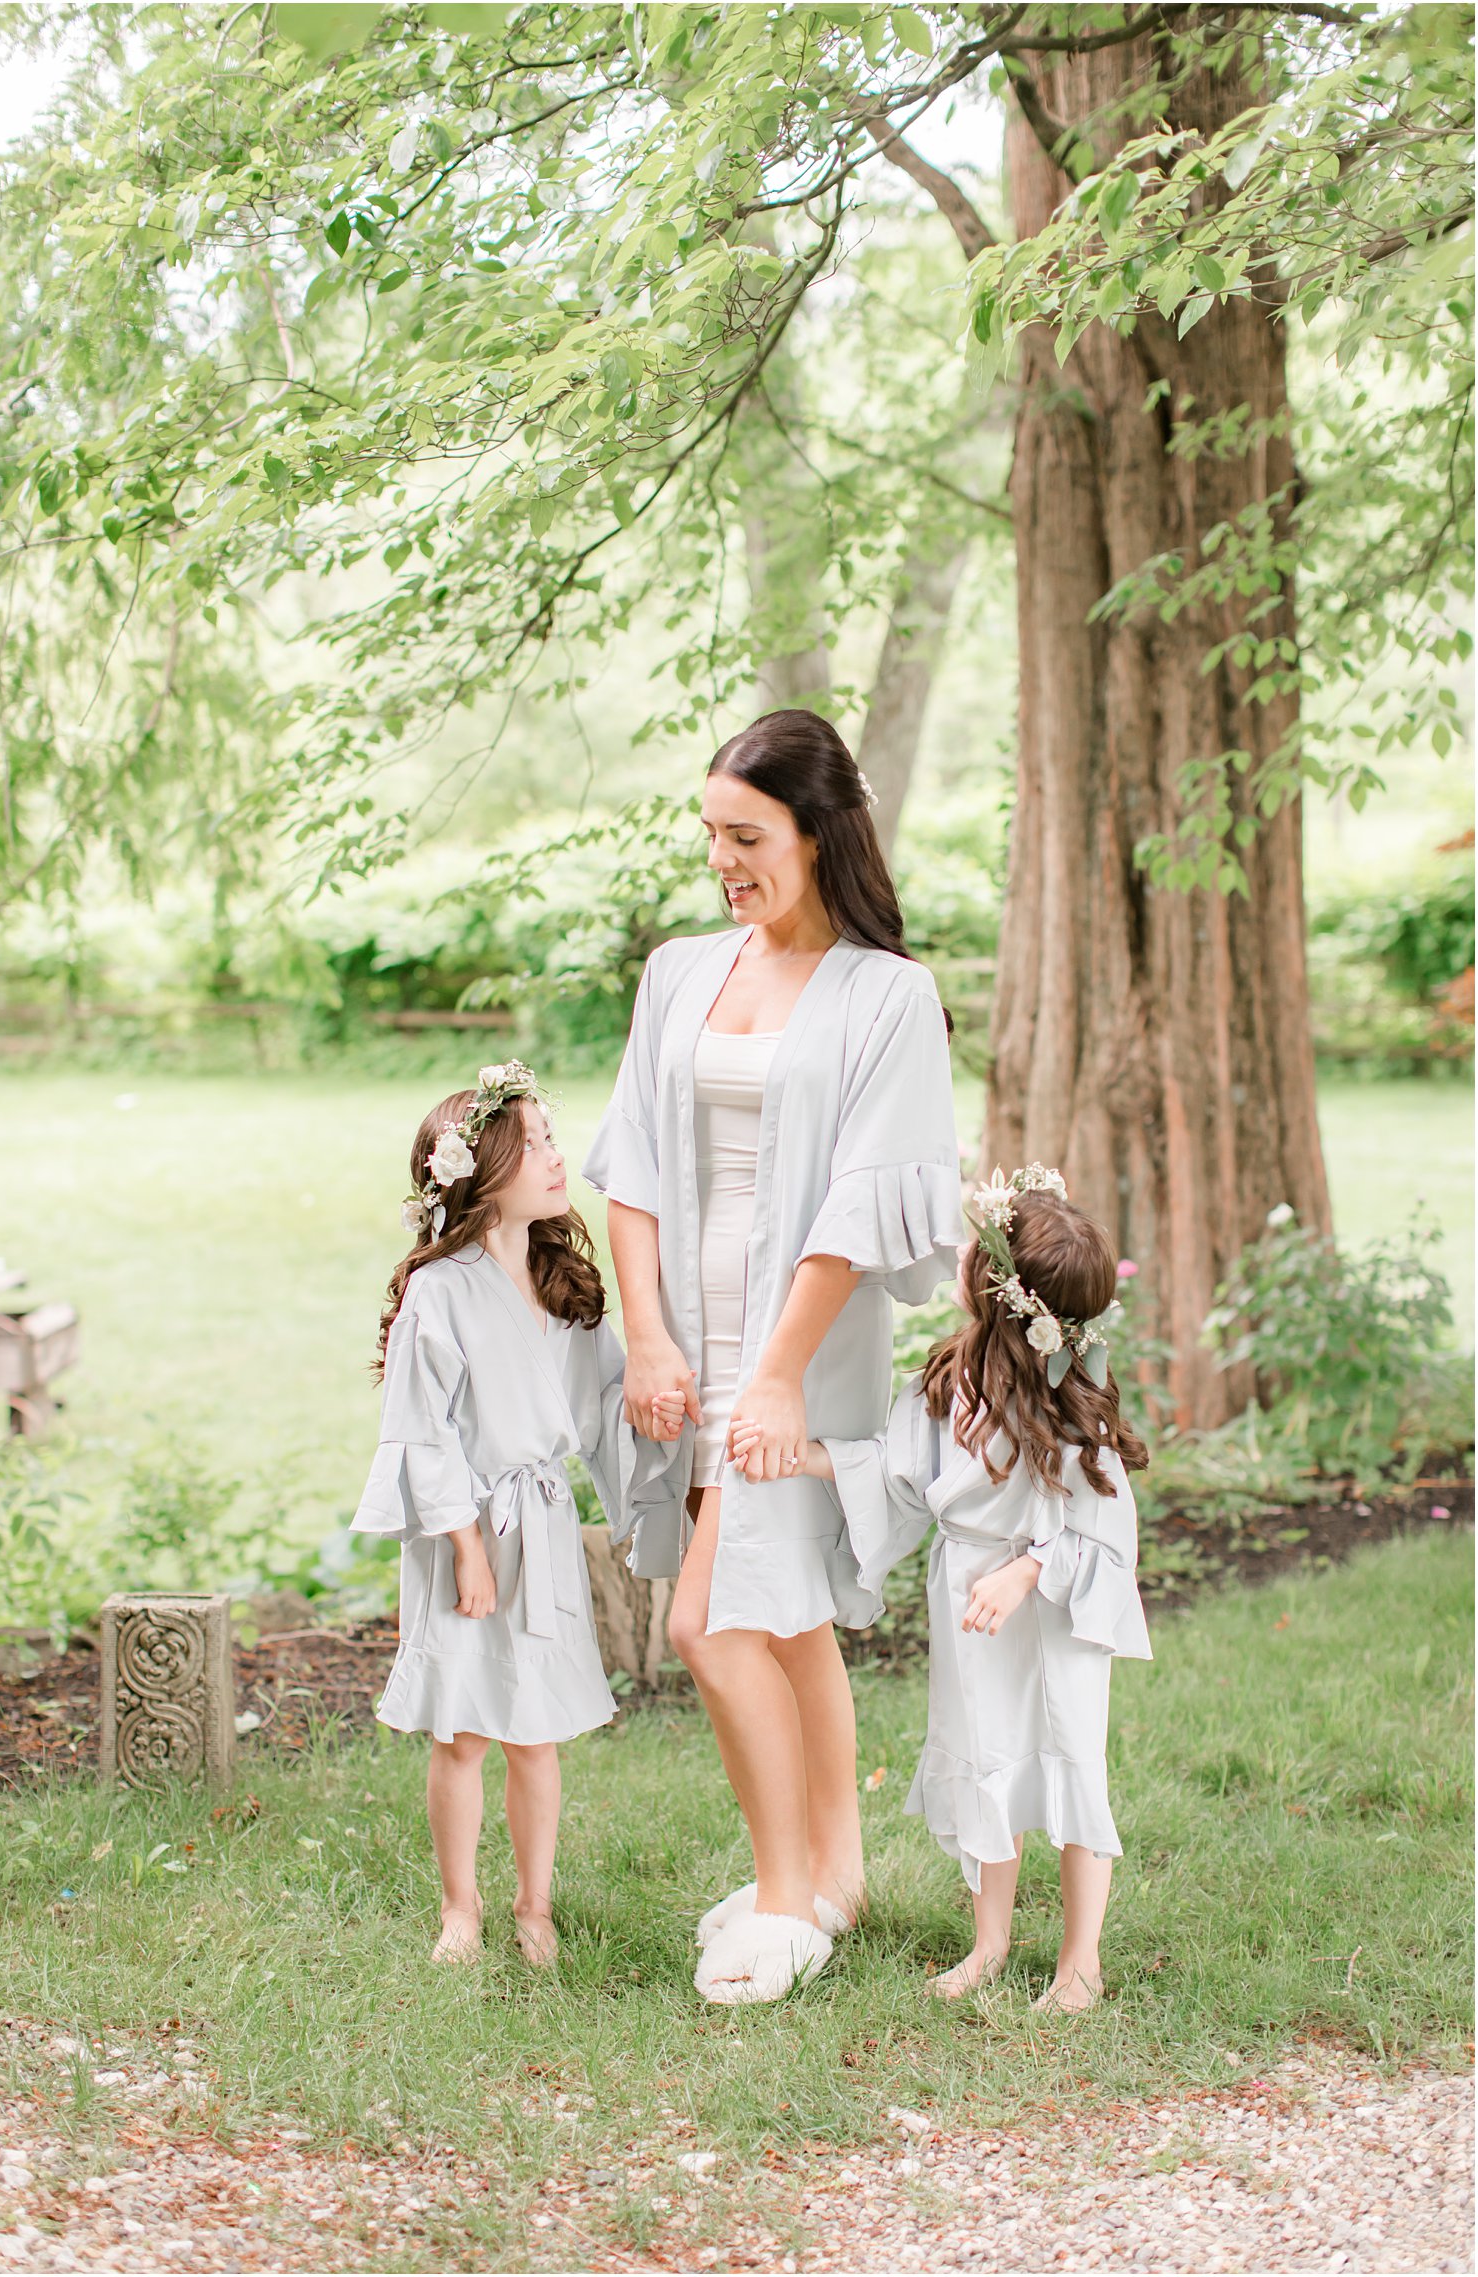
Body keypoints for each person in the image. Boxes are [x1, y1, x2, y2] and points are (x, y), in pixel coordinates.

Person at [582, 710, 964, 2004]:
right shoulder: (681, 973)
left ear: (817, 832)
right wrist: (646, 1335)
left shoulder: (888, 996)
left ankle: (786, 1899)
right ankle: (839, 1871)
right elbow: (631, 1165)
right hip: (688, 1345)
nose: (724, 862)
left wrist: (780, 1373)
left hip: (795, 1349)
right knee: (787, 1614)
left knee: (711, 1617)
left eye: (747, 837)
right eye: (711, 836)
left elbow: (862, 1200)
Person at [745, 1165, 1151, 2012]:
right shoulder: (951, 1379)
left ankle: (1081, 1959)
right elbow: (898, 1472)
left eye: (979, 1245)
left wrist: (1031, 1567)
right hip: (966, 1593)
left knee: (1071, 1757)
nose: (961, 1247)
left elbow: (1105, 1528)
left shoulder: (1070, 1402)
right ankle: (990, 1943)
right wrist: (813, 1456)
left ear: (998, 1292)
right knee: (985, 1756)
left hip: (1052, 1610)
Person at [352, 1063, 677, 1970]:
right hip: (468, 1533)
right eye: (533, 1144)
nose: (555, 1156)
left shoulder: (560, 1281)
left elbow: (605, 1396)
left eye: (550, 1138)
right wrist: (465, 1550)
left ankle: (535, 1904)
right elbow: (421, 1431)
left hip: (541, 1529)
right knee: (463, 1731)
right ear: (482, 1169)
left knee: (535, 1731)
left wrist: (654, 1409)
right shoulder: (441, 1290)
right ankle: (462, 1904)